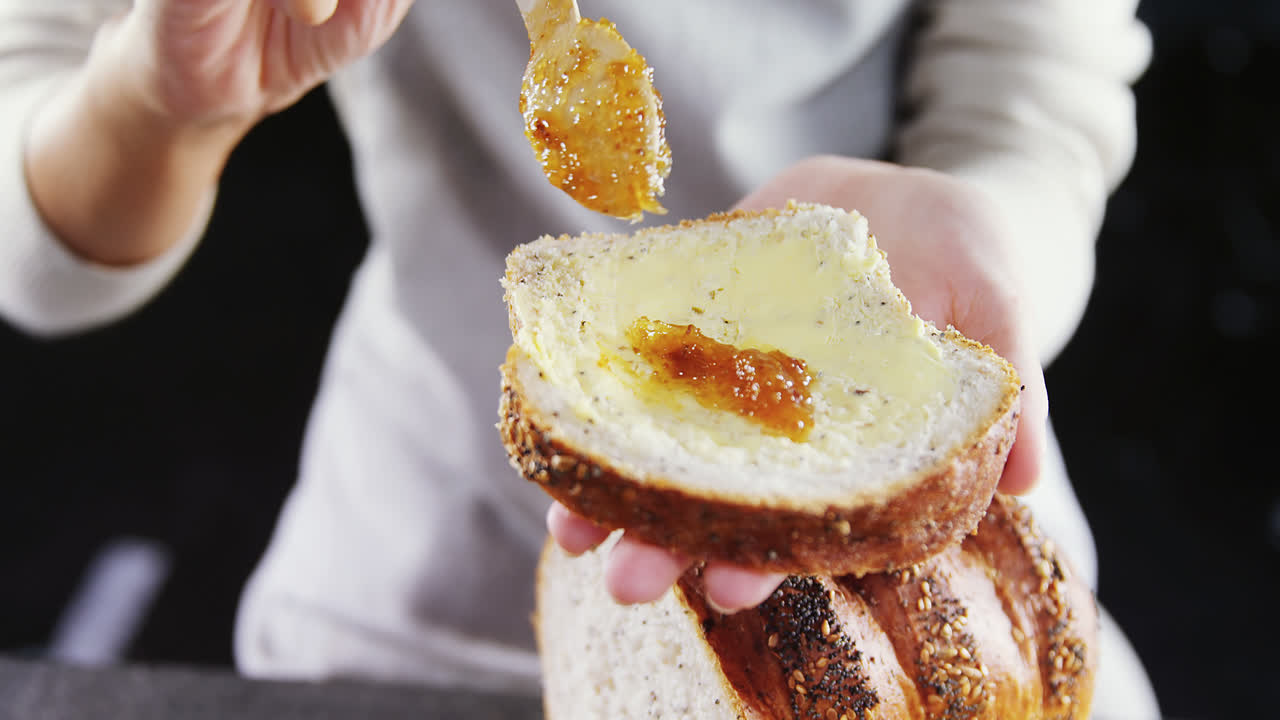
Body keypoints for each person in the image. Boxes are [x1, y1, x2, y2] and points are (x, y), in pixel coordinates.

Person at [0, 0, 1158, 715]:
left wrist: (985, 238)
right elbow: (33, 238)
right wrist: (168, 99)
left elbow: (1035, 82)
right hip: (415, 586)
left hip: (924, 576)